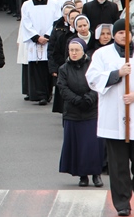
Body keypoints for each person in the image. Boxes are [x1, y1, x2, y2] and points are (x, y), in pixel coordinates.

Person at [86, 19, 134, 216]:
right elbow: (93, 78)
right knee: (118, 166)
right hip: (114, 118)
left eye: (127, 32)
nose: (123, 35)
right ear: (114, 34)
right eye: (120, 32)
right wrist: (117, 74)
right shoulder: (102, 54)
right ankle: (122, 203)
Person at [57, 38, 104, 188]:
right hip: (73, 112)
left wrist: (89, 98)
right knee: (77, 147)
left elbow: (98, 84)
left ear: (83, 51)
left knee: (93, 145)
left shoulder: (92, 66)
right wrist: (77, 100)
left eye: (76, 50)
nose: (74, 53)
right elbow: (63, 88)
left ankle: (96, 174)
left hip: (91, 111)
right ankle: (82, 176)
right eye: (71, 50)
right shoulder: (63, 69)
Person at [20, 0, 61, 105]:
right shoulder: (26, 5)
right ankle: (39, 94)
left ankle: (48, 93)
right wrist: (36, 37)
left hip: (49, 39)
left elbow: (57, 21)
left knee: (48, 67)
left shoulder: (54, 3)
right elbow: (26, 22)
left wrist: (48, 35)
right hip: (35, 41)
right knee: (36, 68)